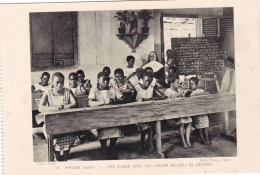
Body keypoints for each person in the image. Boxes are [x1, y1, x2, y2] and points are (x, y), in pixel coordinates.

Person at [38, 72, 78, 161]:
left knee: (69, 134)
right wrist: (54, 108)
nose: (59, 85)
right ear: (52, 82)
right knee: (52, 136)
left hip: (65, 121)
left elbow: (75, 104)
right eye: (57, 82)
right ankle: (57, 156)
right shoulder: (48, 92)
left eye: (62, 82)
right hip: (52, 121)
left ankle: (66, 155)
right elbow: (40, 107)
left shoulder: (68, 91)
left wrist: (63, 107)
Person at [88, 72, 124, 152]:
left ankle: (112, 147)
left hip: (112, 114)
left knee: (115, 130)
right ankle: (104, 148)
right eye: (104, 80)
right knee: (103, 132)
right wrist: (104, 102)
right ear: (98, 80)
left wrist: (114, 101)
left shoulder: (113, 88)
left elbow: (121, 98)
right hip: (100, 115)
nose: (106, 82)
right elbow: (90, 103)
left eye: (107, 80)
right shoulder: (94, 89)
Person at [134, 71, 166, 153]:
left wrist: (151, 99)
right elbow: (131, 101)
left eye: (149, 81)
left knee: (153, 125)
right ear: (142, 79)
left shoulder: (152, 87)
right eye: (146, 80)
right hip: (139, 113)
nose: (147, 83)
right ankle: (144, 143)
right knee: (147, 127)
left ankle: (149, 144)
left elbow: (163, 97)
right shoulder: (137, 88)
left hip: (149, 113)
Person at [186, 77, 211, 145]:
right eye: (190, 84)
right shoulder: (189, 92)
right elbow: (186, 97)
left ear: (196, 85)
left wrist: (198, 94)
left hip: (202, 110)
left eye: (193, 84)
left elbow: (207, 93)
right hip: (196, 111)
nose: (191, 86)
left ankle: (207, 137)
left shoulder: (200, 90)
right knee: (199, 124)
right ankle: (202, 138)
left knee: (206, 123)